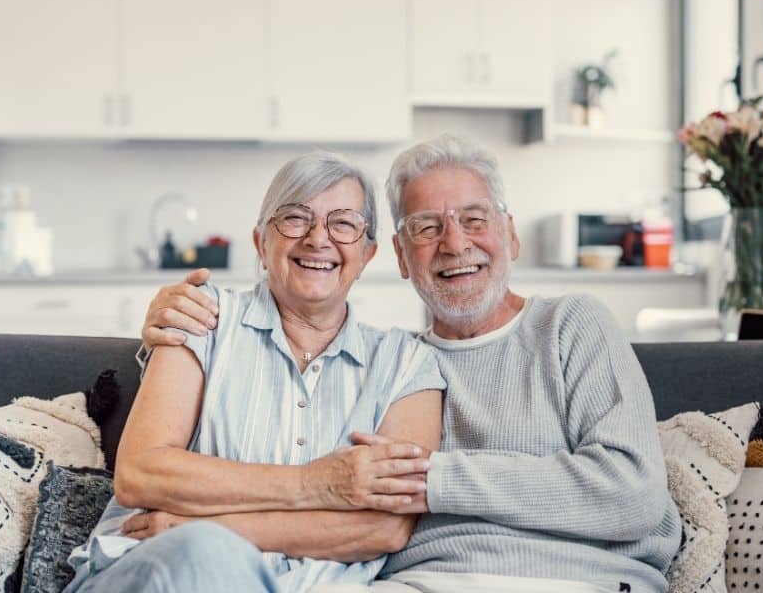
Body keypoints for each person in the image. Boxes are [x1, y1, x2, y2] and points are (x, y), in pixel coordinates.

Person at [142, 135, 682, 593]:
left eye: (475, 219)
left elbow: (631, 493)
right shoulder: (393, 364)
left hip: (576, 580)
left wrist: (432, 478)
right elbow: (355, 519)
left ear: (510, 234)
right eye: (426, 228)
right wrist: (163, 333)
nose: (454, 244)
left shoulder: (571, 325)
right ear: (399, 255)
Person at [65, 151, 446, 593]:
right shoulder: (203, 316)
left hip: (309, 584)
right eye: (295, 218)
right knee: (202, 555)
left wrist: (210, 525)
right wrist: (317, 484)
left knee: (207, 545)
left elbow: (382, 529)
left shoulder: (407, 362)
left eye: (343, 223)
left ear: (367, 253)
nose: (317, 239)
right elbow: (142, 473)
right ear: (261, 242)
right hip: (161, 570)